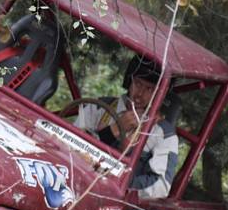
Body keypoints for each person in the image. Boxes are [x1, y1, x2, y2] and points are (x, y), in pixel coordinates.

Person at [75, 55, 179, 199]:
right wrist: (113, 130)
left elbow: (161, 186)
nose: (140, 94)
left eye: (149, 89)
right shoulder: (98, 107)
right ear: (128, 81)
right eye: (137, 84)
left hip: (112, 201)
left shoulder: (164, 135)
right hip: (74, 180)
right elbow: (67, 145)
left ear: (161, 94)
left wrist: (117, 184)